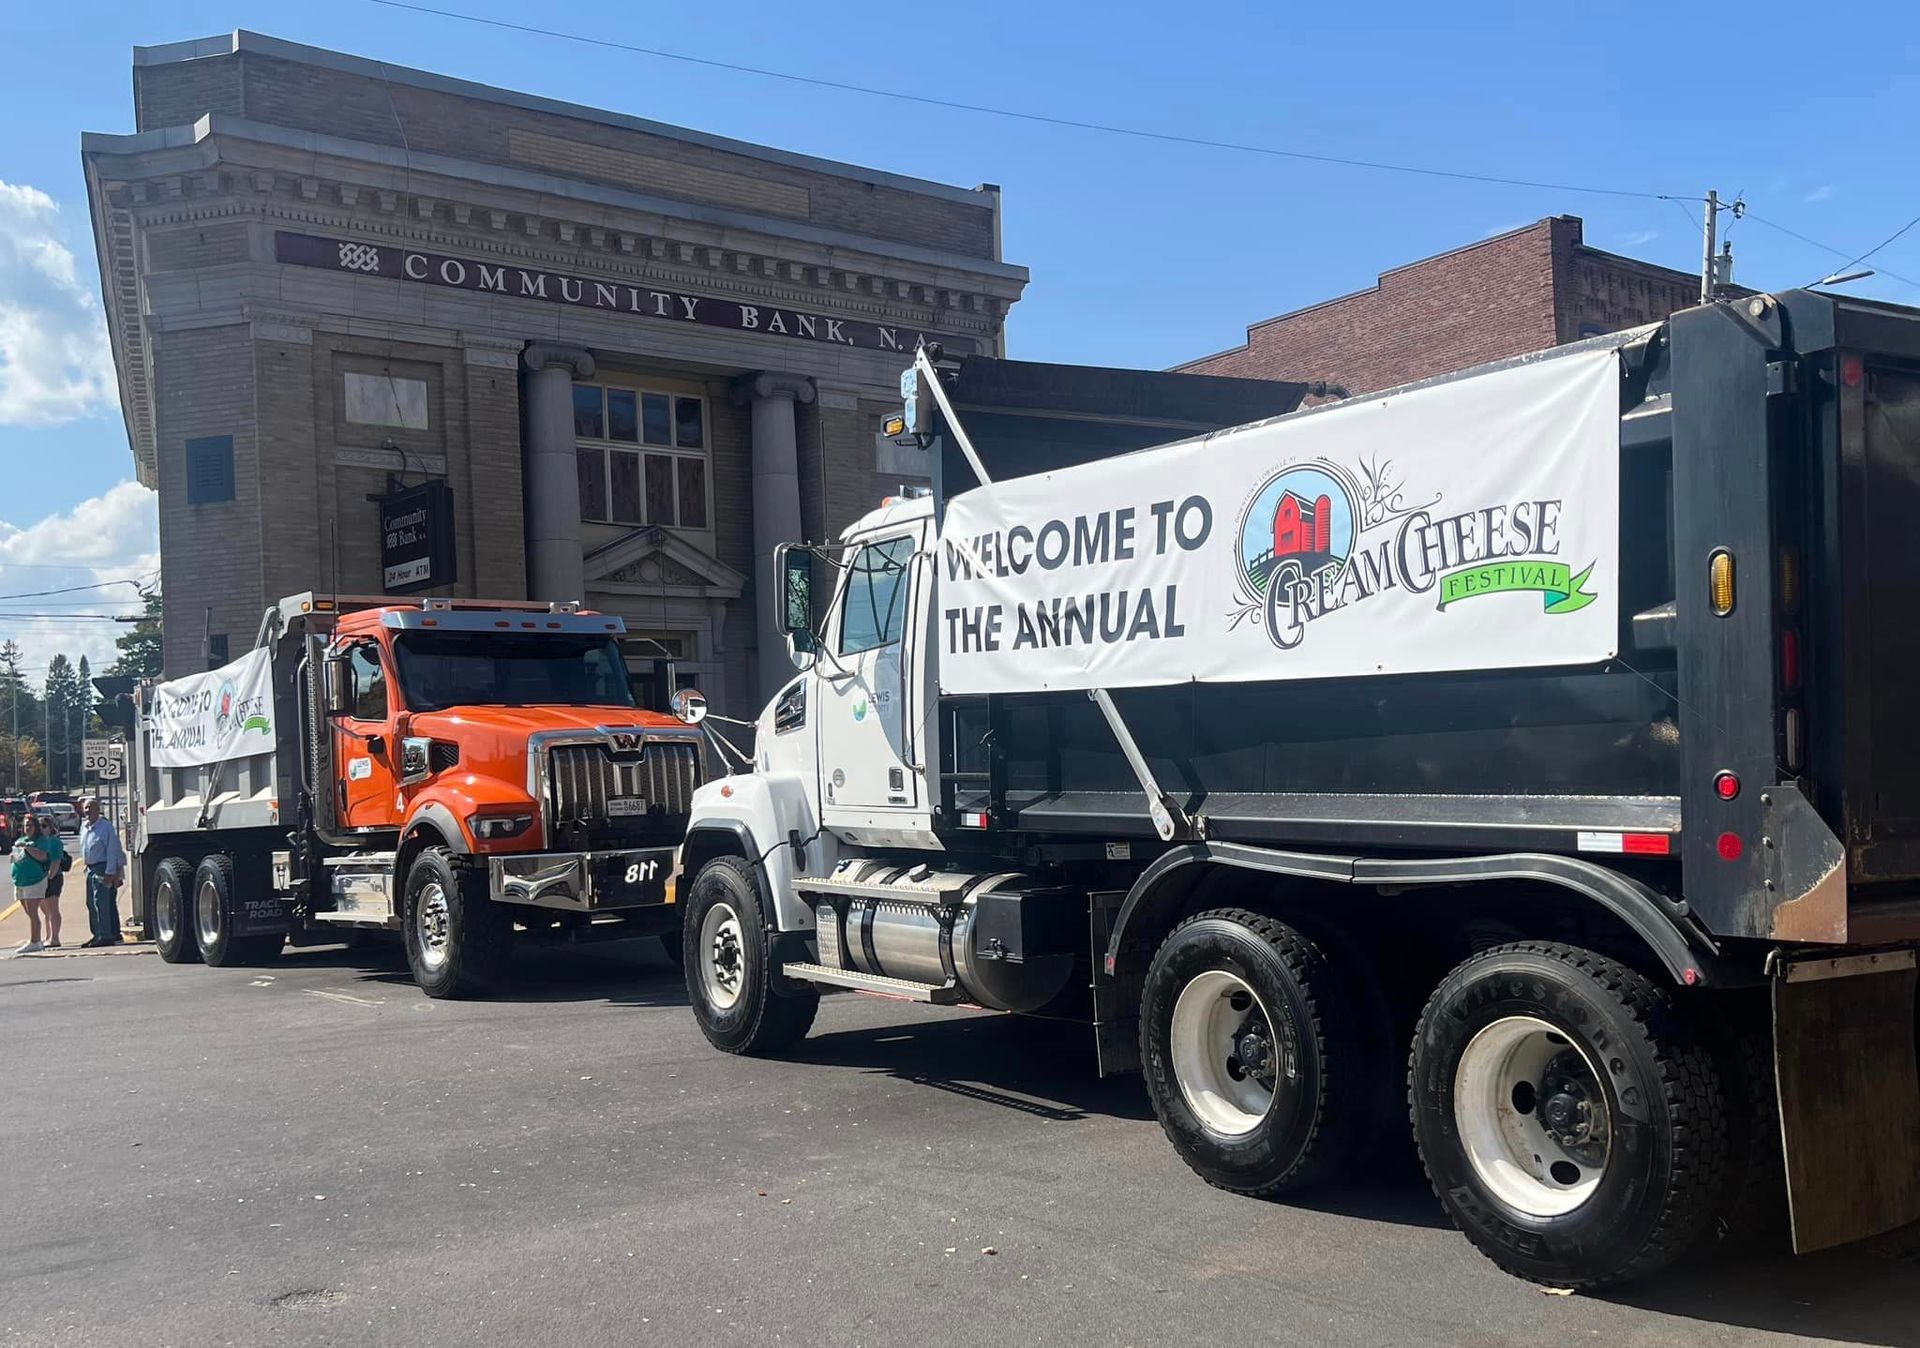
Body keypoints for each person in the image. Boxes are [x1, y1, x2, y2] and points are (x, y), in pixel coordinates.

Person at [77, 798, 126, 949]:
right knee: (91, 903)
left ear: (98, 810)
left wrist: (111, 872)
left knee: (102, 903)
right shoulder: (84, 827)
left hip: (103, 868)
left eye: (91, 807)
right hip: (90, 868)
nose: (87, 811)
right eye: (85, 808)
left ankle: (106, 935)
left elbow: (113, 851)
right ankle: (98, 934)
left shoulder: (105, 827)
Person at [10, 813, 55, 955]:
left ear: (36, 827)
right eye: (25, 825)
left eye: (30, 825)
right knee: (29, 912)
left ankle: (34, 941)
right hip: (20, 880)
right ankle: (36, 939)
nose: (28, 828)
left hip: (35, 880)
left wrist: (27, 848)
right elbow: (16, 857)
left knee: (33, 912)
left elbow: (42, 856)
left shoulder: (41, 840)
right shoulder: (20, 840)